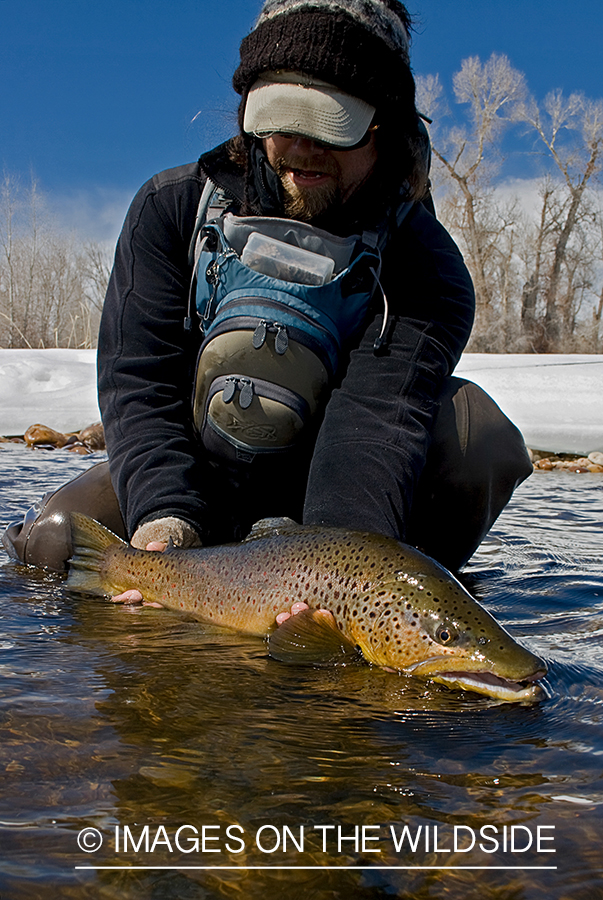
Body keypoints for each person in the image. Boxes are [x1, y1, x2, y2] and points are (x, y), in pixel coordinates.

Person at [3, 0, 532, 577]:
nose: (303, 147)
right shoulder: (170, 210)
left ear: (385, 127)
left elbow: (374, 422)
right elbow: (140, 384)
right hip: (193, 468)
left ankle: (408, 603)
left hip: (333, 487)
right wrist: (165, 519)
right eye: (284, 119)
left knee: (480, 437)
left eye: (330, 125)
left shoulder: (425, 266)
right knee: (57, 549)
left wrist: (335, 573)